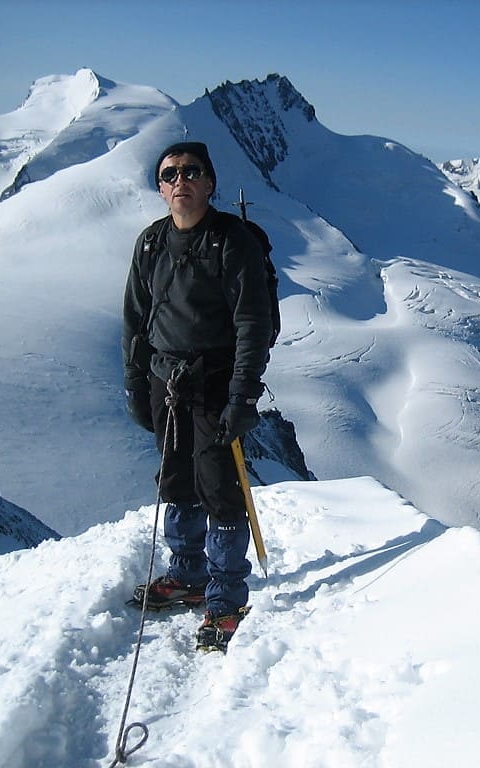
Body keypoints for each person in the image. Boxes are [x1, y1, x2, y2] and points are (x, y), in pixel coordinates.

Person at [122, 141, 273, 647]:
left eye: (191, 172)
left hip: (216, 381)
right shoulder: (150, 244)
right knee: (176, 478)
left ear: (210, 183)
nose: (180, 180)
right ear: (160, 188)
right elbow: (135, 323)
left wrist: (242, 395)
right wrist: (136, 384)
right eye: (170, 174)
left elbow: (253, 323)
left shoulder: (233, 242)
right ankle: (188, 575)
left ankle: (225, 596)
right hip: (167, 381)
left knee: (219, 489)